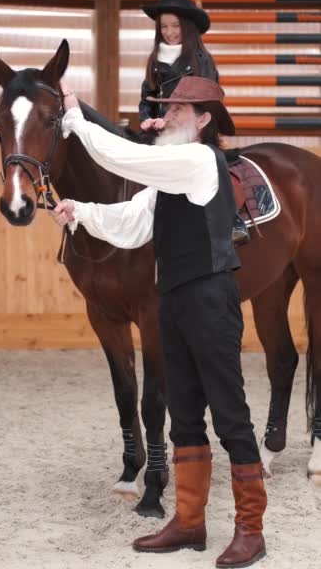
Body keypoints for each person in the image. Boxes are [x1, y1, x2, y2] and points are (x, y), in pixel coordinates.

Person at [52, 77, 267, 568]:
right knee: (185, 415)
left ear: (204, 119)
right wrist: (81, 211)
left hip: (211, 300)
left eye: (179, 109)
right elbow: (132, 222)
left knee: (230, 416)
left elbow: (123, 158)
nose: (167, 115)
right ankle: (190, 522)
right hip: (172, 300)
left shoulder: (195, 160)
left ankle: (251, 531)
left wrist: (74, 115)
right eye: (167, 107)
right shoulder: (170, 176)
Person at [139, 0, 218, 133]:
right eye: (164, 26)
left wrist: (169, 121)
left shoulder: (202, 60)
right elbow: (147, 100)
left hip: (193, 134)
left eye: (176, 25)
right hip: (159, 132)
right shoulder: (155, 60)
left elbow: (206, 104)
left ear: (187, 27)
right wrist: (147, 120)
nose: (169, 32)